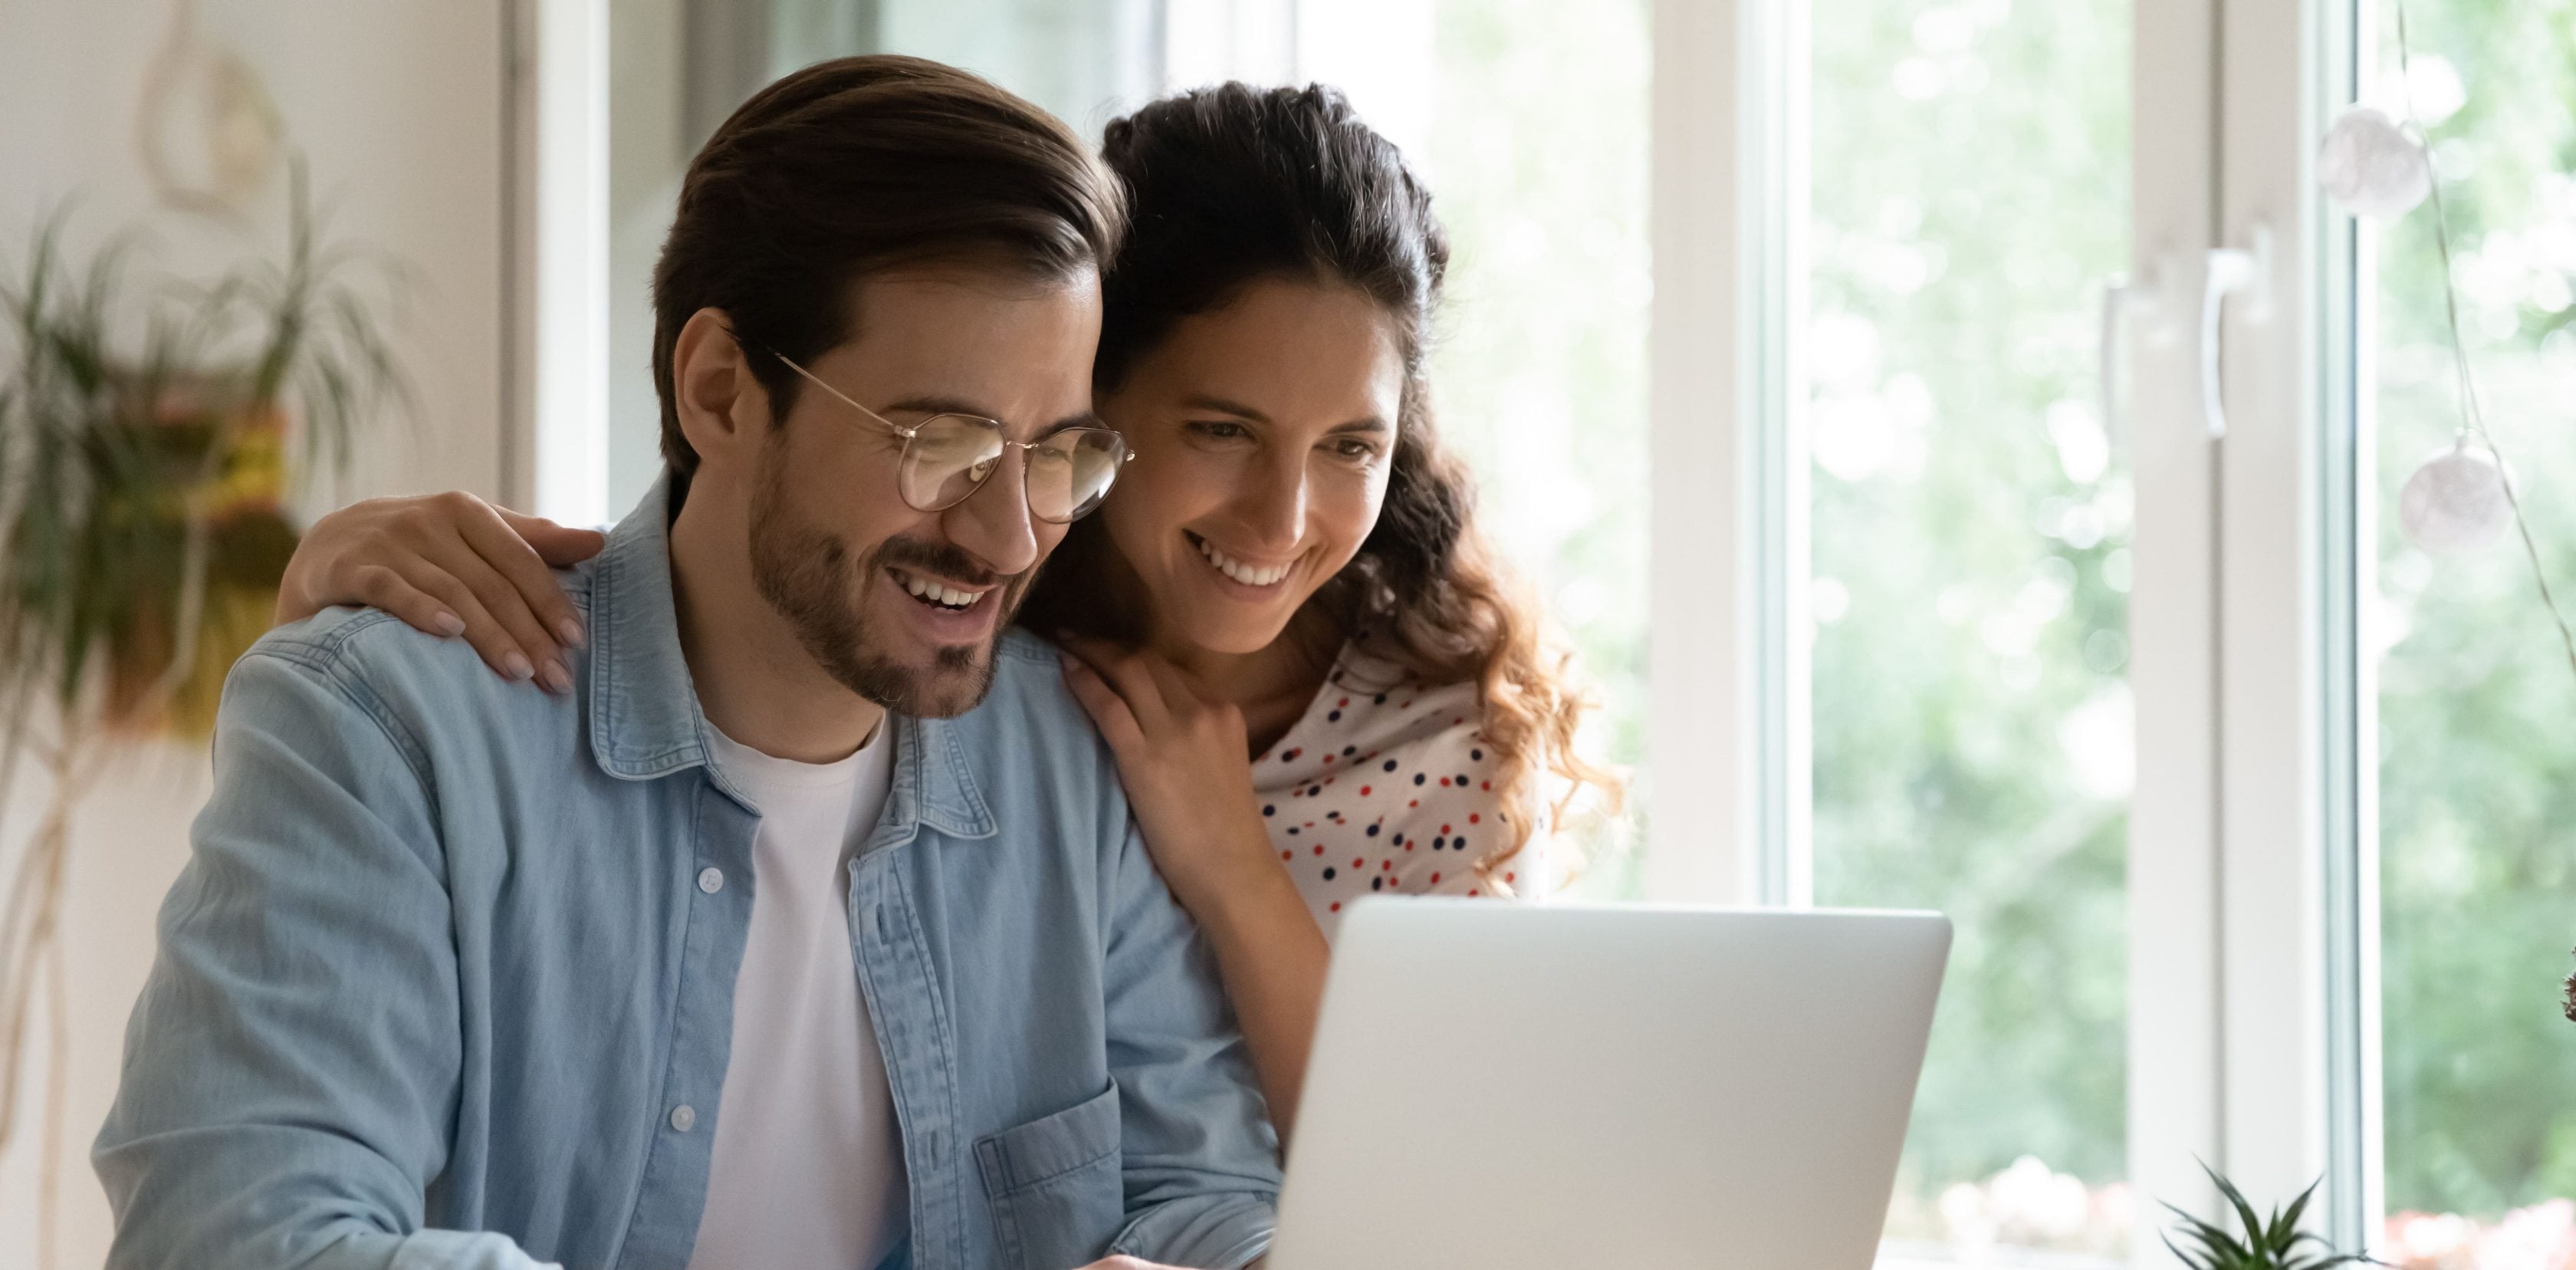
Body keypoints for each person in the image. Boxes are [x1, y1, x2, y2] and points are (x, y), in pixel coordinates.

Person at [96, 56, 1280, 1270]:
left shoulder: (1075, 764)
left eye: (1055, 456)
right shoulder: (391, 733)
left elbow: (1204, 1193)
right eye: (941, 444)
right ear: (719, 391)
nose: (1011, 537)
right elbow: (234, 1236)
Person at [273, 84, 1621, 1139]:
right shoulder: (972, 632)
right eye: (1220, 429)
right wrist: (332, 584)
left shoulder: (1435, 738)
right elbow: (758, 534)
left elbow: (1435, 1181)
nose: (1282, 520)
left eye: (1352, 446)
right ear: (1099, 395)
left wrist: (1231, 866)